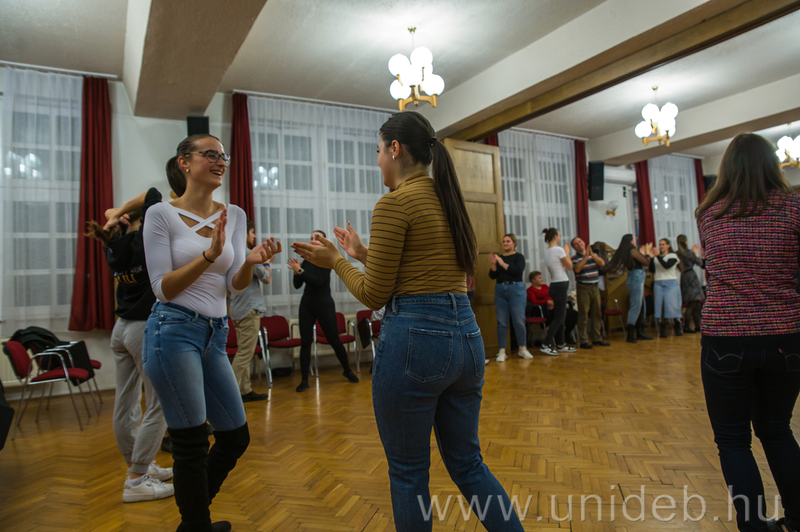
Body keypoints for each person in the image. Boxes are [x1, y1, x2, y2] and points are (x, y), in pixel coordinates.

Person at [292, 111, 525, 532]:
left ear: (395, 149)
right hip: (467, 336)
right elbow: (424, 268)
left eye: (378, 151)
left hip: (418, 340)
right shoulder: (448, 198)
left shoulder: (394, 202)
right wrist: (364, 254)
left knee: (408, 472)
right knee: (468, 464)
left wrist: (336, 261)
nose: (378, 160)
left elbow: (374, 295)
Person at [142, 134, 281, 532]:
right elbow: (162, 288)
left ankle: (193, 523)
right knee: (191, 442)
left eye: (224, 156)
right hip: (172, 331)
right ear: (184, 162)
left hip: (214, 335)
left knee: (235, 436)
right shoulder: (161, 215)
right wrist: (208, 255)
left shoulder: (233, 214)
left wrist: (249, 261)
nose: (221, 161)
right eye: (210, 154)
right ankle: (196, 524)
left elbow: (234, 286)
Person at [697, 132, 800, 532]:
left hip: (726, 337)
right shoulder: (794, 208)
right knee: (776, 430)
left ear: (726, 168)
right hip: (786, 336)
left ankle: (754, 526)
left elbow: (714, 268)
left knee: (733, 440)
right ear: (772, 164)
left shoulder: (709, 213)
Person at [86, 189, 173, 503]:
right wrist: (116, 213)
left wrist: (114, 217)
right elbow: (152, 194)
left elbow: (145, 201)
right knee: (160, 402)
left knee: (126, 403)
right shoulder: (143, 240)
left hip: (121, 329)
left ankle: (141, 466)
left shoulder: (114, 245)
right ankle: (136, 480)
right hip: (142, 329)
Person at [288, 230, 360, 393]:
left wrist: (300, 271)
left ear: (323, 243)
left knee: (334, 340)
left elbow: (318, 282)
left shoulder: (327, 260)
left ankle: (347, 370)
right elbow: (298, 285)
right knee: (305, 342)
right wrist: (296, 271)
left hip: (324, 304)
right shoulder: (306, 261)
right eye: (311, 238)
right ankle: (304, 380)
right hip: (307, 304)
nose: (313, 240)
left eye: (317, 238)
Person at [229, 220, 272, 403]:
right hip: (248, 309)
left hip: (237, 309)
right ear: (244, 233)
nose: (254, 236)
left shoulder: (232, 253)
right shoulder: (248, 254)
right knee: (244, 355)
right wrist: (267, 263)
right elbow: (266, 278)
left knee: (243, 351)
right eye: (252, 232)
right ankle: (228, 394)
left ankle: (244, 390)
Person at [488, 234, 532, 361]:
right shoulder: (500, 258)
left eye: (508, 241)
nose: (505, 243)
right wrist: (494, 264)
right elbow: (492, 275)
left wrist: (501, 263)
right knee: (502, 322)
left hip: (516, 289)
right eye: (503, 241)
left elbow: (517, 271)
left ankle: (522, 349)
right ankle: (502, 351)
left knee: (519, 321)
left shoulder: (519, 257)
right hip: (500, 290)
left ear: (514, 243)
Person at [604, 234, 654, 343]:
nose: (636, 240)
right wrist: (647, 253)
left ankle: (639, 331)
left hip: (634, 277)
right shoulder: (632, 250)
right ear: (631, 241)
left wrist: (643, 253)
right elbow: (646, 262)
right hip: (636, 277)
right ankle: (630, 334)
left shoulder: (628, 251)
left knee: (640, 305)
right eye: (634, 239)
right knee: (636, 306)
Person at [540, 228, 576, 356]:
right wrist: (567, 252)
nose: (560, 238)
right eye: (559, 235)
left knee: (560, 316)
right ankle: (546, 344)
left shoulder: (547, 251)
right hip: (560, 284)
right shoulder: (559, 250)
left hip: (555, 285)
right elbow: (570, 266)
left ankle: (561, 344)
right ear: (555, 236)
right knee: (560, 317)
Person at [570, 237, 609, 349]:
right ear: (574, 248)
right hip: (583, 287)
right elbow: (577, 269)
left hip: (595, 287)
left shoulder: (594, 256)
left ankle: (597, 339)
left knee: (597, 313)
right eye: (576, 244)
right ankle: (583, 341)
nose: (579, 244)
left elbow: (602, 263)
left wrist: (591, 254)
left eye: (580, 241)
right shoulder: (574, 258)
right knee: (583, 314)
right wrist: (586, 257)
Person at [526, 271, 577, 345]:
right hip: (545, 310)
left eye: (541, 277)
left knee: (574, 314)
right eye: (539, 278)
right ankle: (558, 337)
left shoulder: (545, 286)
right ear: (533, 280)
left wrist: (553, 302)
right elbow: (534, 301)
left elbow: (552, 294)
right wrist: (546, 302)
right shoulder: (530, 290)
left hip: (554, 306)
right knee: (561, 316)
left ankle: (566, 334)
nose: (541, 279)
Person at [649, 238, 682, 338]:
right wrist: (652, 258)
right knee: (660, 306)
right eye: (660, 244)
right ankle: (662, 329)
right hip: (658, 282)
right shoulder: (656, 257)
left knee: (672, 305)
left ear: (668, 245)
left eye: (663, 244)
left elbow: (666, 265)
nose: (661, 246)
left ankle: (678, 326)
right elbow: (651, 269)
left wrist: (657, 256)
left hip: (671, 282)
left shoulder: (672, 256)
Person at [676, 234, 705, 333]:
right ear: (686, 242)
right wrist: (696, 252)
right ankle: (686, 327)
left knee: (695, 303)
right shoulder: (689, 252)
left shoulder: (677, 253)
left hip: (683, 276)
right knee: (692, 304)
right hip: (691, 277)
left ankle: (697, 326)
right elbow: (700, 263)